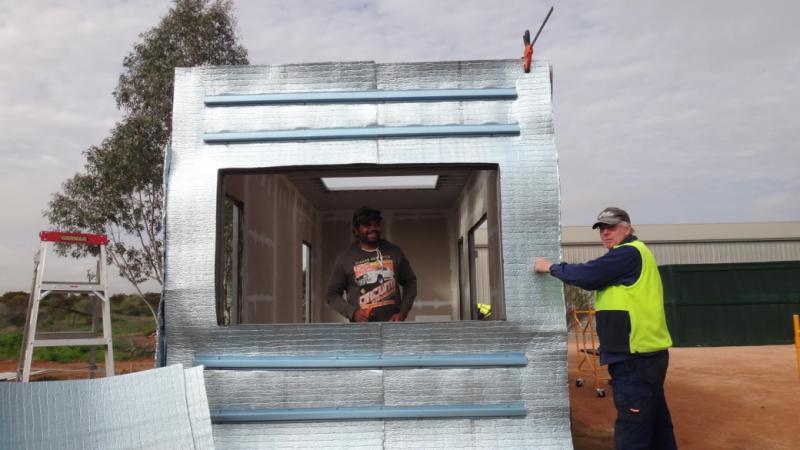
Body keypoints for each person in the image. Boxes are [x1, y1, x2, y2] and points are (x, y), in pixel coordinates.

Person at [534, 207, 677, 449]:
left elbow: (589, 275)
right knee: (654, 421)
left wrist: (550, 267)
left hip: (635, 357)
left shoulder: (628, 253)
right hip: (647, 354)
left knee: (633, 427)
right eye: (602, 229)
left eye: (611, 227)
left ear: (628, 228)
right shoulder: (634, 254)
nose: (605, 233)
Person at [326, 207, 417, 322]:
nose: (373, 228)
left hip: (392, 328)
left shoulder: (394, 252)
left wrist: (403, 312)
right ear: (355, 230)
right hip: (361, 332)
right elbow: (332, 295)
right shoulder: (345, 258)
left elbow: (410, 281)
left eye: (376, 224)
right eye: (367, 225)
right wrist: (353, 313)